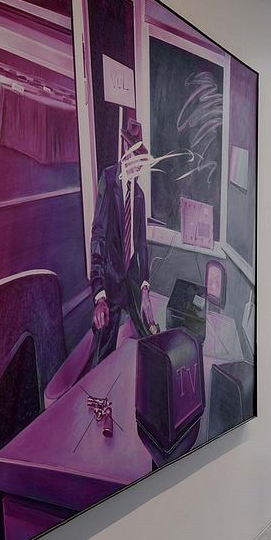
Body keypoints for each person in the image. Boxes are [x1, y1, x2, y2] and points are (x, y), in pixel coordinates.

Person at [87, 119, 156, 371]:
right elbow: (99, 237)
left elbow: (141, 244)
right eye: (135, 157)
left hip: (133, 282)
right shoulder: (108, 179)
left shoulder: (139, 195)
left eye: (141, 160)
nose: (138, 166)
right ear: (125, 154)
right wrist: (99, 295)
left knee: (150, 335)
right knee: (102, 352)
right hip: (111, 282)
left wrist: (146, 288)